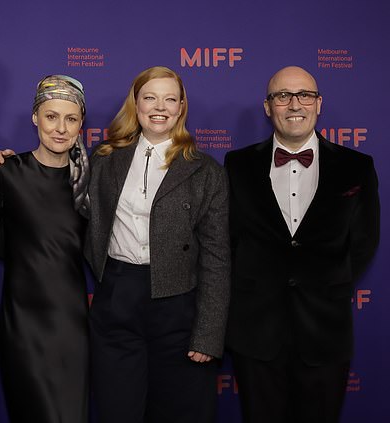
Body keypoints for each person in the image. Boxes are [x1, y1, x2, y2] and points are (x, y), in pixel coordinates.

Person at [224, 66, 380, 423]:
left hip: (325, 333)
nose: (294, 104)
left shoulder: (357, 167)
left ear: (318, 103)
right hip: (256, 334)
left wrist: (325, 284)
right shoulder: (237, 165)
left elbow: (365, 242)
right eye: (282, 96)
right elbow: (227, 240)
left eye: (304, 95)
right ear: (268, 107)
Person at [84, 66, 231, 423]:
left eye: (170, 98)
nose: (159, 106)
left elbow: (216, 257)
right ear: (136, 103)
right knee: (117, 411)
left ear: (181, 107)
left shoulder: (205, 170)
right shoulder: (104, 158)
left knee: (179, 413)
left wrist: (208, 335)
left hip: (178, 306)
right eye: (150, 97)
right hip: (117, 297)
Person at [0, 75, 91, 423]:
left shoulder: (90, 182)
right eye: (51, 116)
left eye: (71, 118)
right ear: (35, 117)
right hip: (24, 327)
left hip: (72, 326)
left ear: (81, 124)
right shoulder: (7, 172)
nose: (60, 128)